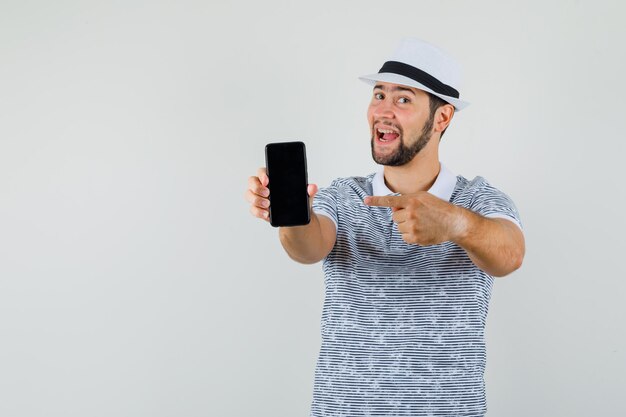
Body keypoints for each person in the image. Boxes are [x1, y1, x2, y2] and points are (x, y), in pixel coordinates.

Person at [245, 38, 525, 417]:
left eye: (403, 99)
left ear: (442, 118)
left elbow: (510, 254)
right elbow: (308, 248)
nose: (383, 110)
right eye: (379, 95)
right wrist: (293, 213)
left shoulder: (477, 200)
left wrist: (455, 223)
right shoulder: (344, 195)